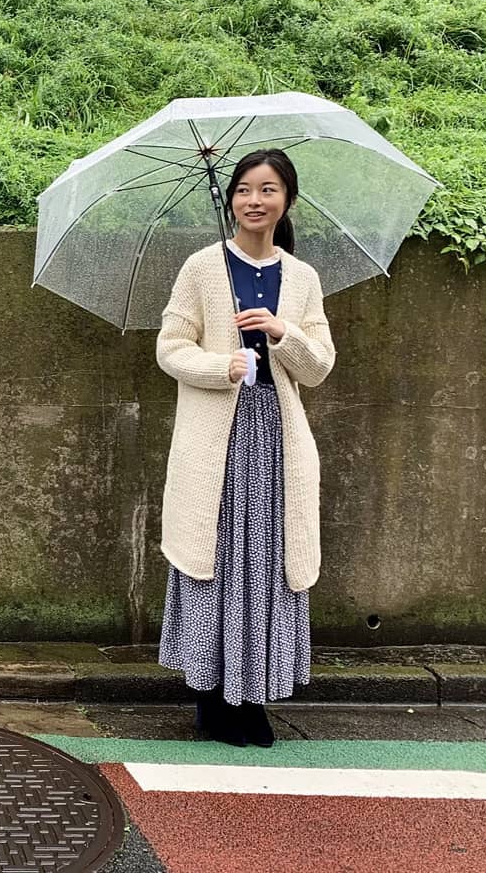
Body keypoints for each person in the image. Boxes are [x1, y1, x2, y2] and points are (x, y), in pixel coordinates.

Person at [155, 148, 336, 747]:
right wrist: (221, 367)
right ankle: (211, 695)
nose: (254, 200)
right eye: (243, 189)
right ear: (231, 198)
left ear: (287, 200)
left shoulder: (302, 278)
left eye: (267, 189)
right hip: (216, 440)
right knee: (217, 557)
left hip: (278, 439)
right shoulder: (203, 267)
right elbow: (170, 346)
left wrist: (283, 334)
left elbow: (319, 367)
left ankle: (251, 695)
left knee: (267, 562)